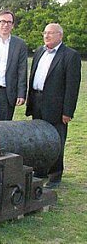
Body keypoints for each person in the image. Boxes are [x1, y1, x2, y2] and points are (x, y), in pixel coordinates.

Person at [26, 23, 81, 189]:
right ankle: (41, 170)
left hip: (56, 107)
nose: (47, 36)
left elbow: (72, 87)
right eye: (45, 33)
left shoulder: (70, 56)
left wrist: (67, 111)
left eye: (51, 33)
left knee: (56, 140)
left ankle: (55, 175)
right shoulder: (40, 52)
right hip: (37, 101)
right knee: (40, 138)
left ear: (60, 36)